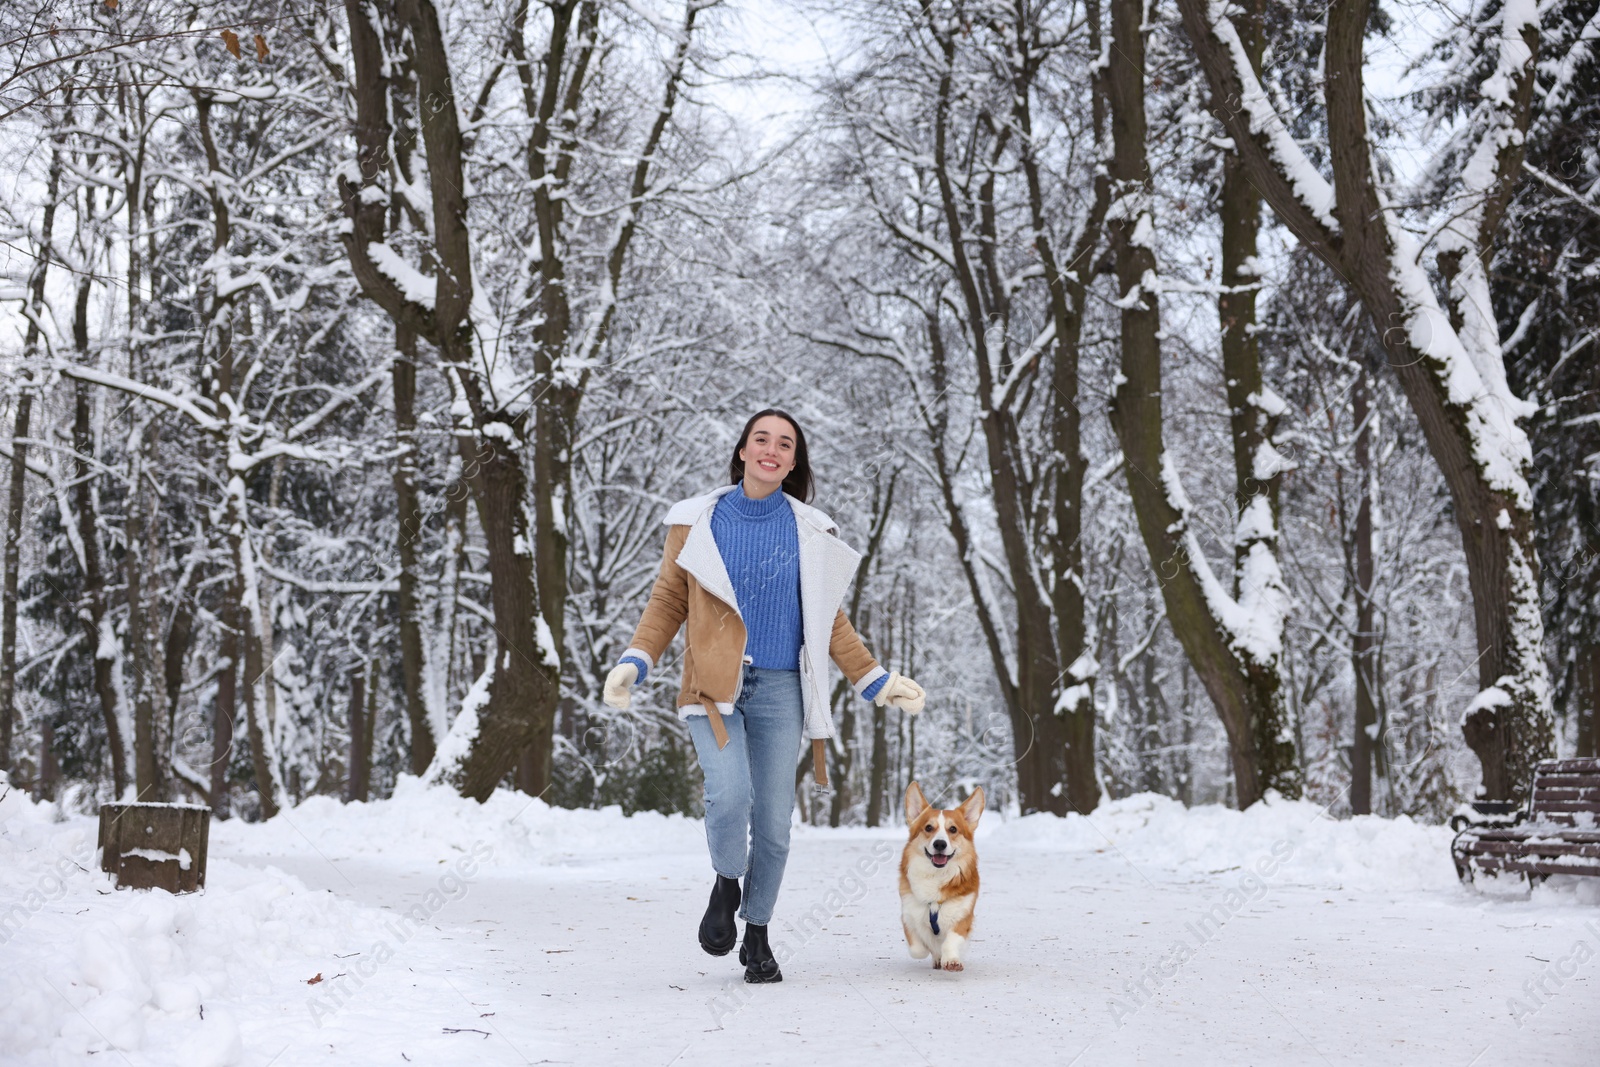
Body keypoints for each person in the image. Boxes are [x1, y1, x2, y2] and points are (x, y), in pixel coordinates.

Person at [602, 409, 926, 983]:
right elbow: (667, 603)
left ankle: (758, 933)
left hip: (781, 690)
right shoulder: (697, 522)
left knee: (775, 822)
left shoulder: (810, 531)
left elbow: (830, 621)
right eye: (761, 440)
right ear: (744, 450)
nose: (771, 450)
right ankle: (726, 884)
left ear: (794, 461)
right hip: (711, 688)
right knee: (729, 795)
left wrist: (876, 680)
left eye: (785, 444)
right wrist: (636, 660)